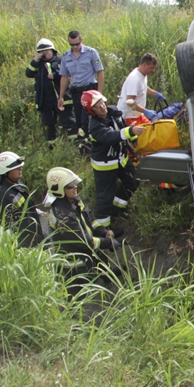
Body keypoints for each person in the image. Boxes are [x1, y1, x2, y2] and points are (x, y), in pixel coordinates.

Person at [45, 167, 122, 297]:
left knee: (100, 260)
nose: (75, 187)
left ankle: (109, 276)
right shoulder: (62, 214)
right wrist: (108, 243)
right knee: (79, 295)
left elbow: (90, 218)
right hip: (74, 262)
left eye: (75, 183)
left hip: (88, 249)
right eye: (70, 185)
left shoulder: (75, 200)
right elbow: (83, 241)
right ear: (59, 189)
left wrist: (103, 232)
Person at [82, 90, 144, 229]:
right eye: (97, 106)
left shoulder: (113, 112)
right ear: (91, 111)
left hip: (120, 158)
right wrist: (131, 132)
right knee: (105, 196)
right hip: (105, 165)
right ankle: (104, 230)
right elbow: (110, 136)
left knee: (133, 181)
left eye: (102, 102)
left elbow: (122, 126)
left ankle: (118, 210)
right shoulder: (95, 126)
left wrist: (133, 138)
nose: (102, 107)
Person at [24, 38, 78, 142]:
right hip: (45, 101)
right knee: (48, 126)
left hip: (61, 99)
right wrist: (35, 61)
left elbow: (69, 73)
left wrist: (55, 75)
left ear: (52, 50)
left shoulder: (60, 60)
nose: (44, 53)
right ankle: (52, 147)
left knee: (69, 122)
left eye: (46, 51)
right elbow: (28, 73)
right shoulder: (37, 65)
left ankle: (77, 146)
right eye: (41, 52)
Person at [57, 31, 105, 136]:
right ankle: (84, 144)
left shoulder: (91, 53)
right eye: (72, 44)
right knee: (78, 121)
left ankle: (92, 141)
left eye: (77, 44)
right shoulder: (66, 57)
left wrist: (99, 92)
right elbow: (64, 77)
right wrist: (61, 97)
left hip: (90, 91)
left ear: (81, 40)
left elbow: (100, 72)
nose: (75, 47)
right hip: (76, 92)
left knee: (86, 120)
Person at [0, 151, 43, 247]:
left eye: (20, 166)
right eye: (16, 168)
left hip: (35, 239)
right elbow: (6, 227)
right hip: (25, 246)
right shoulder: (3, 195)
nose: (20, 169)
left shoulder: (16, 185)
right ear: (5, 172)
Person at [116, 53, 166, 126]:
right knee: (145, 136)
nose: (153, 70)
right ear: (144, 65)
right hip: (129, 117)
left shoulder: (142, 74)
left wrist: (155, 93)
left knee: (152, 131)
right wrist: (146, 111)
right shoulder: (135, 79)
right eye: (151, 68)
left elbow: (143, 87)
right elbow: (129, 102)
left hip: (138, 115)